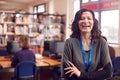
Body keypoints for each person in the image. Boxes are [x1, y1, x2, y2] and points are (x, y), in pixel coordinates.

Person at [61, 8, 113, 80]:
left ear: (93, 22)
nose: (85, 21)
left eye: (89, 18)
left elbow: (108, 72)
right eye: (82, 18)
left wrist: (80, 74)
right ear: (77, 22)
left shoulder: (102, 42)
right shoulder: (69, 43)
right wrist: (96, 75)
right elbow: (67, 73)